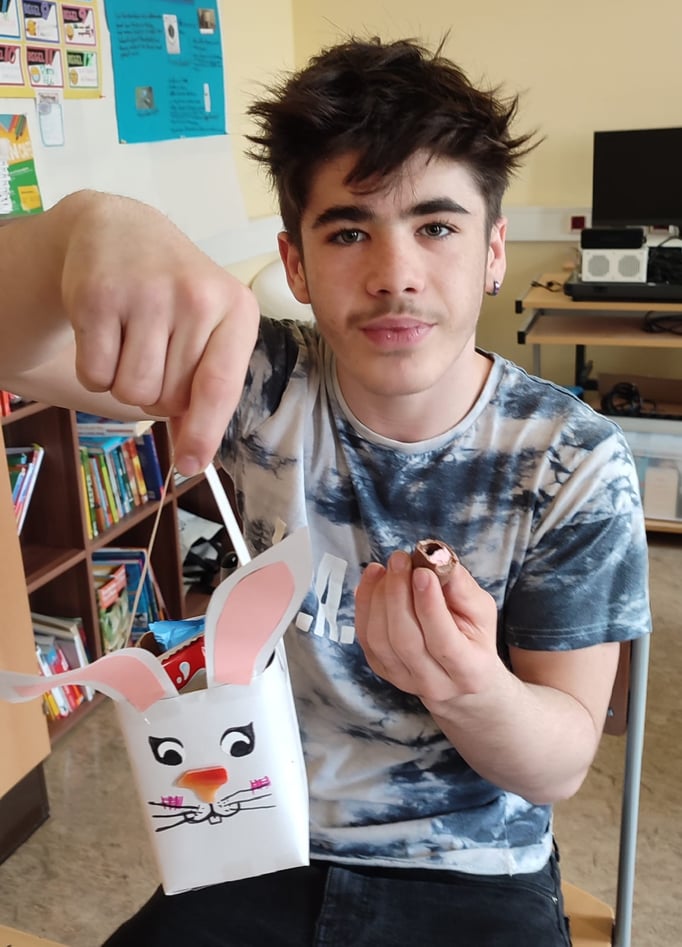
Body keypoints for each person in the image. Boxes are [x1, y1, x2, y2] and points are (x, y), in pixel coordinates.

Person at [0, 37, 650, 947]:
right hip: (258, 835)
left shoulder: (572, 461)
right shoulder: (260, 382)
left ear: (494, 251)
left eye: (437, 226)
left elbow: (559, 764)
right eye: (348, 232)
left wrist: (464, 685)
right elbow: (17, 348)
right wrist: (77, 229)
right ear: (296, 264)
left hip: (473, 868)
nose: (395, 274)